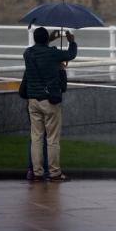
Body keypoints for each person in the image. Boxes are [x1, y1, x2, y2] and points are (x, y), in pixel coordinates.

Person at [24, 27, 77, 182]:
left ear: (34, 38)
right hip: (49, 100)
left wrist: (49, 40)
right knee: (52, 139)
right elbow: (71, 55)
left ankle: (37, 172)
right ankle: (54, 172)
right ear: (46, 39)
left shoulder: (27, 53)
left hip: (33, 100)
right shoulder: (53, 53)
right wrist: (71, 42)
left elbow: (40, 49)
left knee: (36, 138)